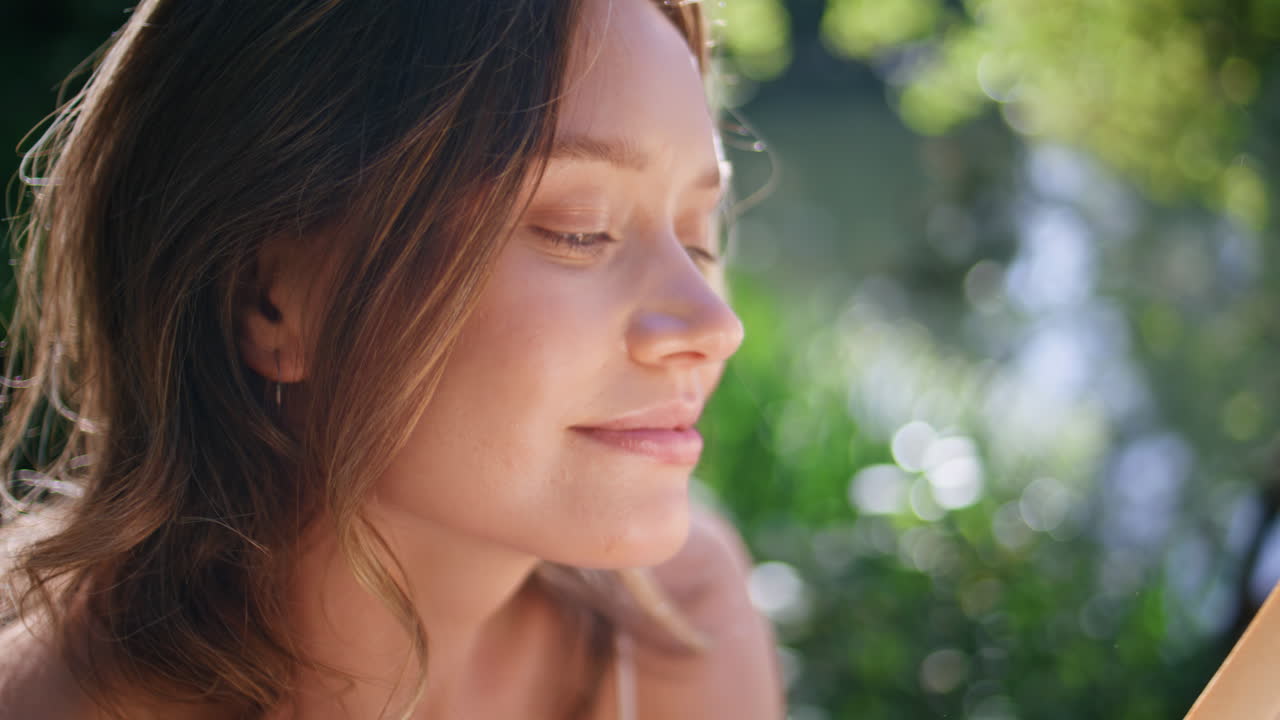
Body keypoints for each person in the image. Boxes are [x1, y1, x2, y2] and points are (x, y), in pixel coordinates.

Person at [0, 0, 784, 718]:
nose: (715, 324)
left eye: (695, 236)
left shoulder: (682, 627)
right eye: (579, 229)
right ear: (272, 300)